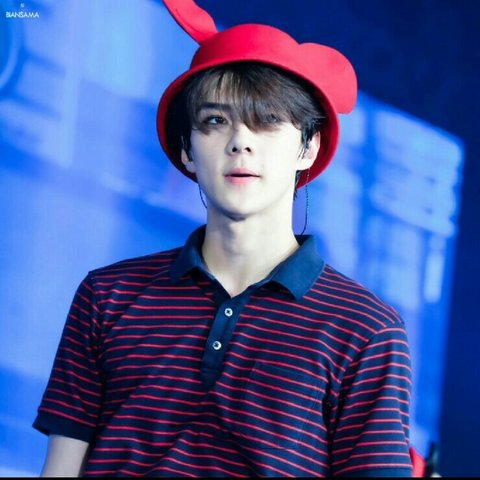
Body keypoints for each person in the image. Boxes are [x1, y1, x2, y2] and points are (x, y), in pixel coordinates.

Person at [34, 0, 413, 476]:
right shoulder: (107, 294)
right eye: (215, 121)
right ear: (187, 150)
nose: (240, 141)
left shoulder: (365, 330)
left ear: (308, 147)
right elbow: (61, 468)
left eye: (267, 121)